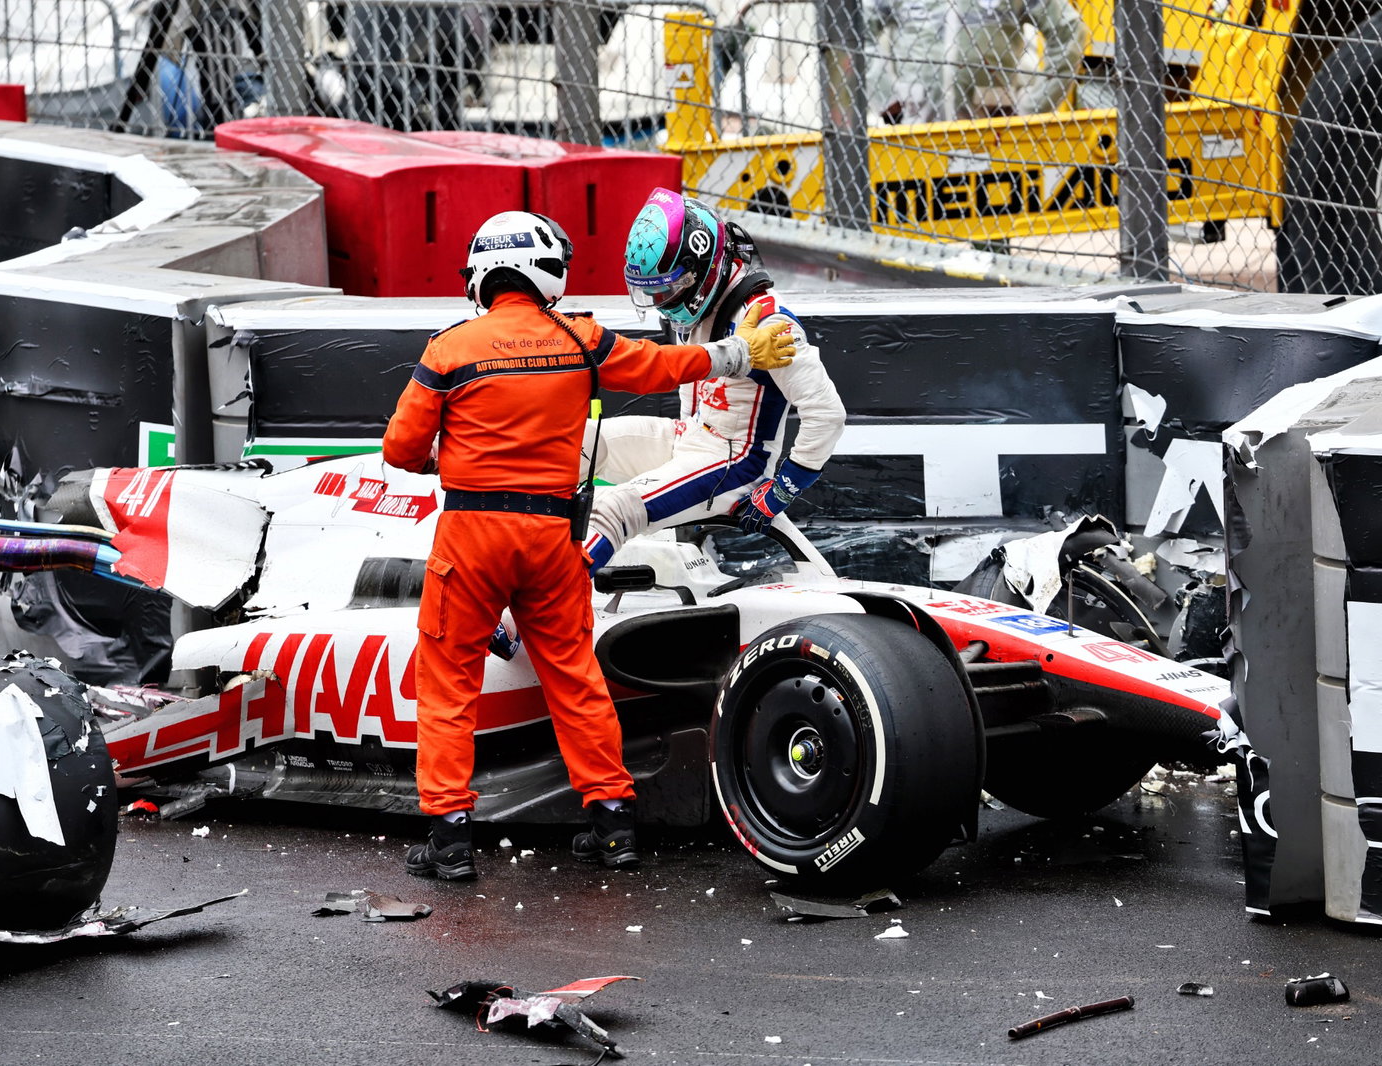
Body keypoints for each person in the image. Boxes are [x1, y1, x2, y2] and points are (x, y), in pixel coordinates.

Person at [381, 209, 795, 881]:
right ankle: (612, 826)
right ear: (548, 274)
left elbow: (399, 449)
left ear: (482, 274)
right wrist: (742, 353)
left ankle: (451, 837)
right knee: (574, 678)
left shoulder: (448, 350)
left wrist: (446, 461)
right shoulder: (580, 338)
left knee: (450, 679)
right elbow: (664, 369)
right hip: (553, 535)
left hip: (471, 537)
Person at [580, 188, 845, 573]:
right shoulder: (692, 307)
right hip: (690, 438)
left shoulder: (770, 320)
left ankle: (534, 619)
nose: (660, 303)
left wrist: (784, 489)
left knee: (612, 510)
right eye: (652, 292)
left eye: (667, 290)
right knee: (570, 443)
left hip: (735, 462)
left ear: (701, 271)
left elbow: (827, 413)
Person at [867, 0, 1085, 124]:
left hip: (992, 134)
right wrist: (887, 98)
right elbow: (857, 29)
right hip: (916, 125)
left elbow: (1070, 32)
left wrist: (1034, 107)